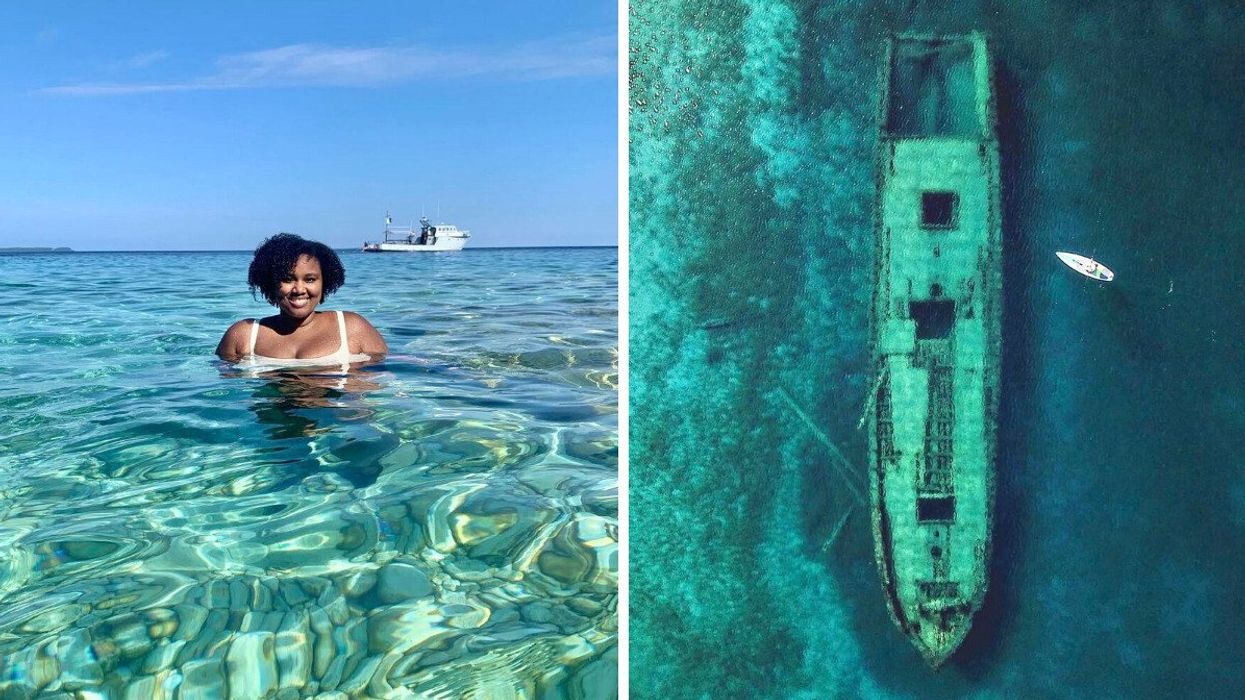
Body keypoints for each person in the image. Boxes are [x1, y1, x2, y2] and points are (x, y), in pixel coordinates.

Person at [216, 233, 387, 367]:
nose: (299, 289)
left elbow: (388, 379)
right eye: (288, 279)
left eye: (310, 279)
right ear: (271, 283)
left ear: (324, 282)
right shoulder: (243, 336)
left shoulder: (353, 328)